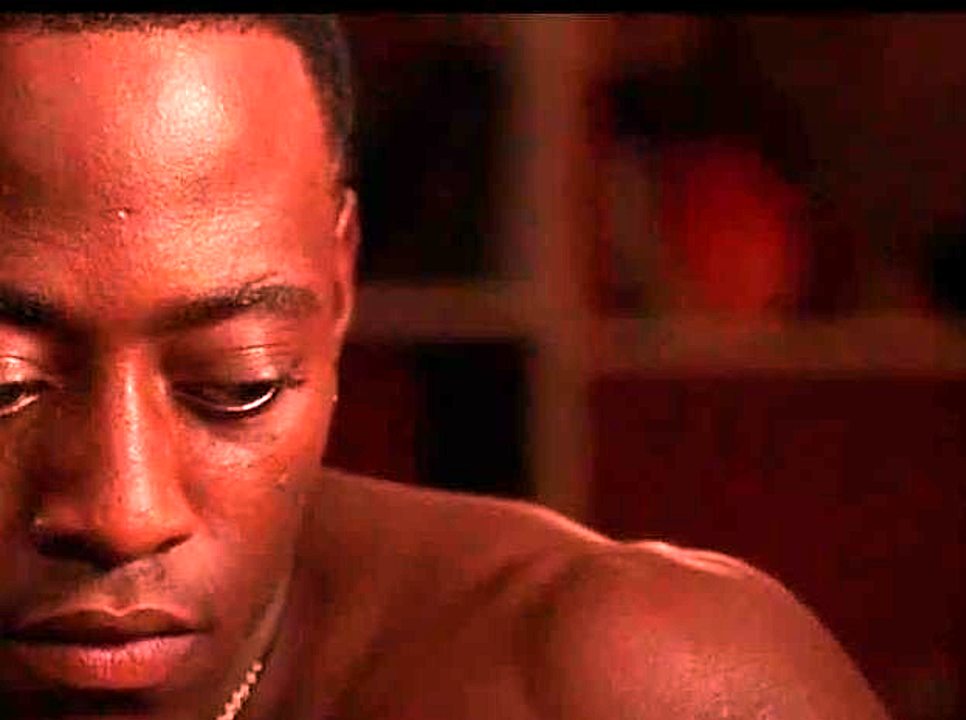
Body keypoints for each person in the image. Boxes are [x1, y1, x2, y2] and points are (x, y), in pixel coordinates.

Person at [0, 14, 891, 720]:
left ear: (338, 287)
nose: (124, 512)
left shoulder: (624, 684)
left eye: (240, 383)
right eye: (5, 384)